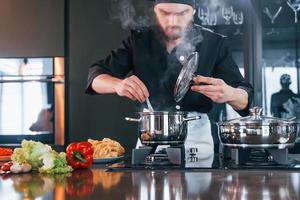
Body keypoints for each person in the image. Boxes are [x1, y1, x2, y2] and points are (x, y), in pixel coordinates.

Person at [86, 0, 253, 156]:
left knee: (200, 188)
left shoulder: (214, 43)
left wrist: (230, 94)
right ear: (155, 10)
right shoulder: (139, 40)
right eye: (165, 13)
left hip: (196, 136)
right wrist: (118, 84)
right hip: (150, 134)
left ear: (193, 11)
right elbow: (95, 78)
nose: (173, 21)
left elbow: (245, 97)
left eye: (181, 14)